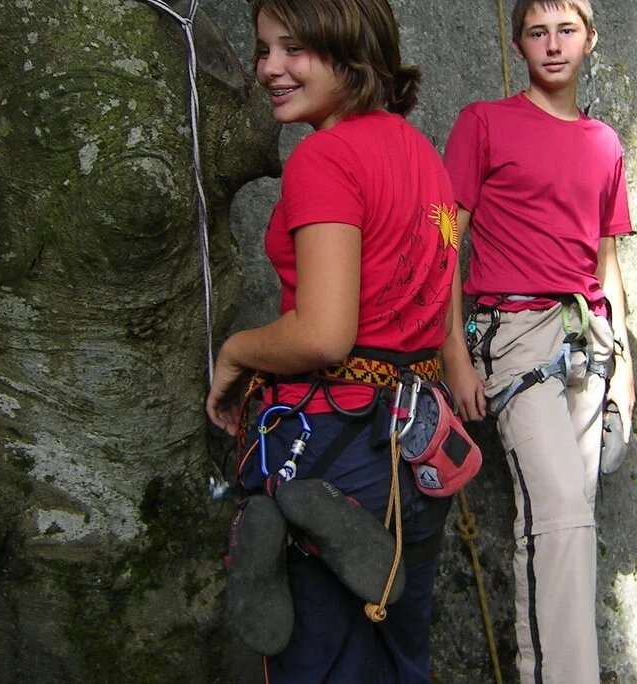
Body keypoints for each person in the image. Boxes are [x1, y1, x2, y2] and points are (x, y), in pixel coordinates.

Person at [205, 0, 460, 681]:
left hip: (334, 445)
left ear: (350, 53)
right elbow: (437, 297)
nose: (269, 69)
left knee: (321, 662)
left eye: (294, 50)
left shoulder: (324, 158)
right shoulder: (422, 155)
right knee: (401, 650)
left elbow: (322, 335)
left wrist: (236, 353)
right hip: (418, 442)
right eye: (263, 50)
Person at [441, 1, 636, 682]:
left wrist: (628, 367)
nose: (552, 46)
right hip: (513, 333)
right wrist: (452, 351)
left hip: (591, 338)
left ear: (590, 41)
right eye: (536, 32)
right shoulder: (484, 124)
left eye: (566, 31)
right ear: (520, 43)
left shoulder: (605, 144)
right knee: (560, 515)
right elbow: (446, 240)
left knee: (569, 519)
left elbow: (607, 259)